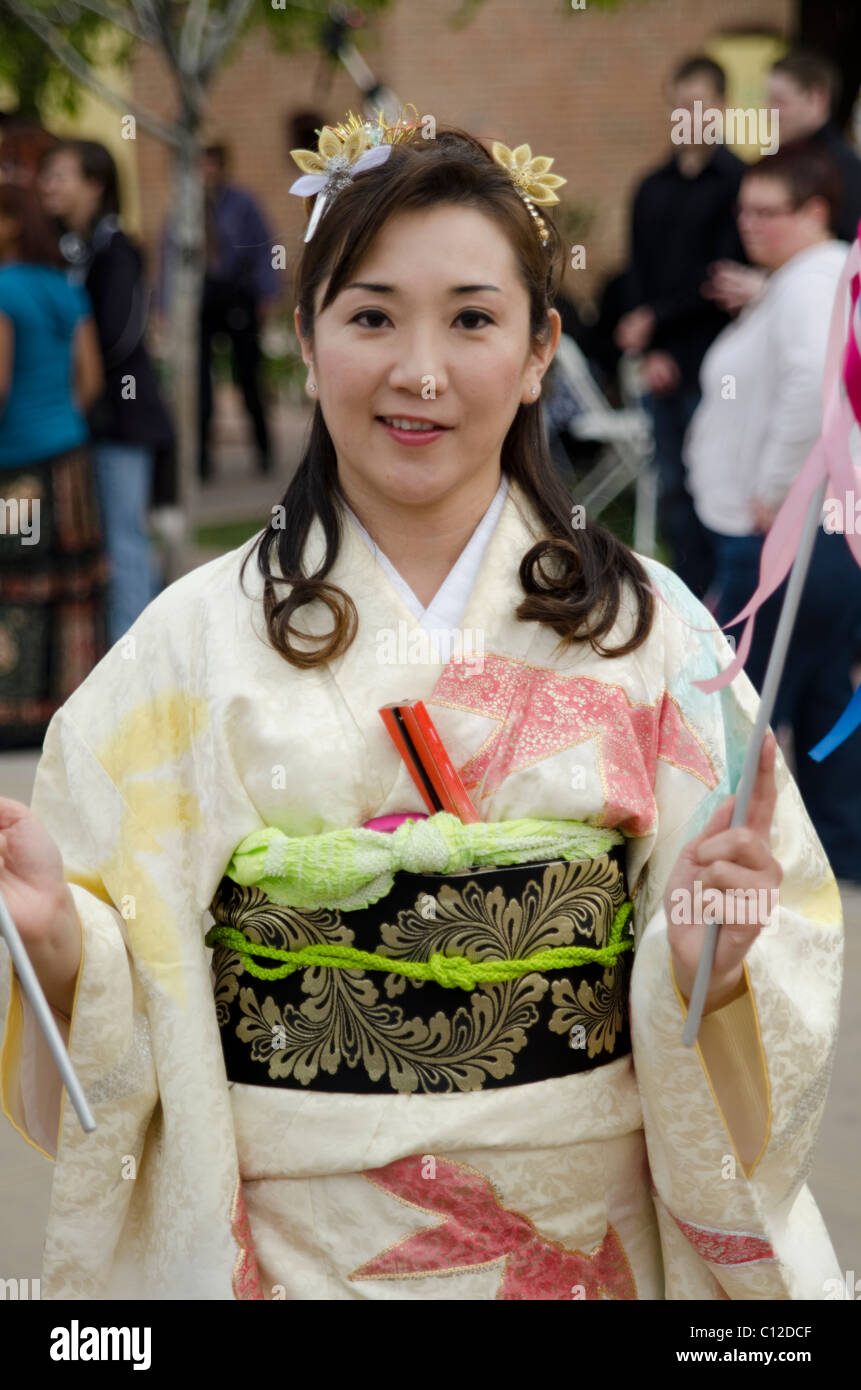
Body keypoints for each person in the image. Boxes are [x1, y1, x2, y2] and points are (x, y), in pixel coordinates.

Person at [0, 112, 843, 1301]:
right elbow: (131, 973)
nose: (421, 371)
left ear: (543, 347)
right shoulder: (190, 643)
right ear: (306, 333)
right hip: (294, 1255)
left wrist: (705, 963)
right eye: (372, 315)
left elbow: (767, 922)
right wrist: (60, 944)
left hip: (576, 1248)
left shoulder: (653, 634)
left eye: (473, 318)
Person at [685, 142, 861, 883]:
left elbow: (807, 387)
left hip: (780, 535)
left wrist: (772, 491)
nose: (747, 224)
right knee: (820, 703)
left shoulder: (810, 280)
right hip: (805, 534)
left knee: (738, 716)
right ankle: (835, 862)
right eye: (742, 209)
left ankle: (718, 869)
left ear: (814, 213)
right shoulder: (802, 279)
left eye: (766, 211)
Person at [615, 55, 746, 601]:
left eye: (699, 103)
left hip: (716, 365)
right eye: (678, 103)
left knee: (718, 483)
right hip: (661, 364)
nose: (687, 114)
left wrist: (658, 321)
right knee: (672, 487)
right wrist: (649, 347)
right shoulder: (650, 187)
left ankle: (727, 600)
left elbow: (723, 280)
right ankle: (685, 599)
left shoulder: (739, 185)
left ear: (719, 107)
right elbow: (637, 275)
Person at [39, 139, 175, 647]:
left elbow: (118, 335)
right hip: (90, 419)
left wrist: (75, 369)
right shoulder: (67, 249)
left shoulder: (116, 250)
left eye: (60, 175)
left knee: (125, 541)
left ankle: (134, 658)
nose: (48, 185)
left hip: (122, 418)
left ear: (95, 185)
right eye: (46, 176)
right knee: (106, 543)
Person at [0, 184, 107, 749]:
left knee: (16, 589)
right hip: (69, 462)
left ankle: (15, 716)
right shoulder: (63, 289)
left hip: (17, 468)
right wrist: (60, 420)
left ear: (11, 225)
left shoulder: (3, 289)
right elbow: (90, 378)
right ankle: (66, 711)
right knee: (72, 588)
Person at [705, 49, 861, 316]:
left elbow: (848, 259)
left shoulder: (845, 169)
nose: (769, 113)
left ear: (817, 99)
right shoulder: (780, 160)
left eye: (779, 102)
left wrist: (771, 287)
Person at [162, 142, 280, 482]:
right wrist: (166, 307)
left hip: (237, 294)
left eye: (210, 163)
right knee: (199, 384)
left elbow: (263, 246)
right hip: (200, 299)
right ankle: (200, 462)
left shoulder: (242, 202)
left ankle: (264, 450)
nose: (205, 171)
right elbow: (169, 257)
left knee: (248, 376)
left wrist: (267, 291)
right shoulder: (182, 207)